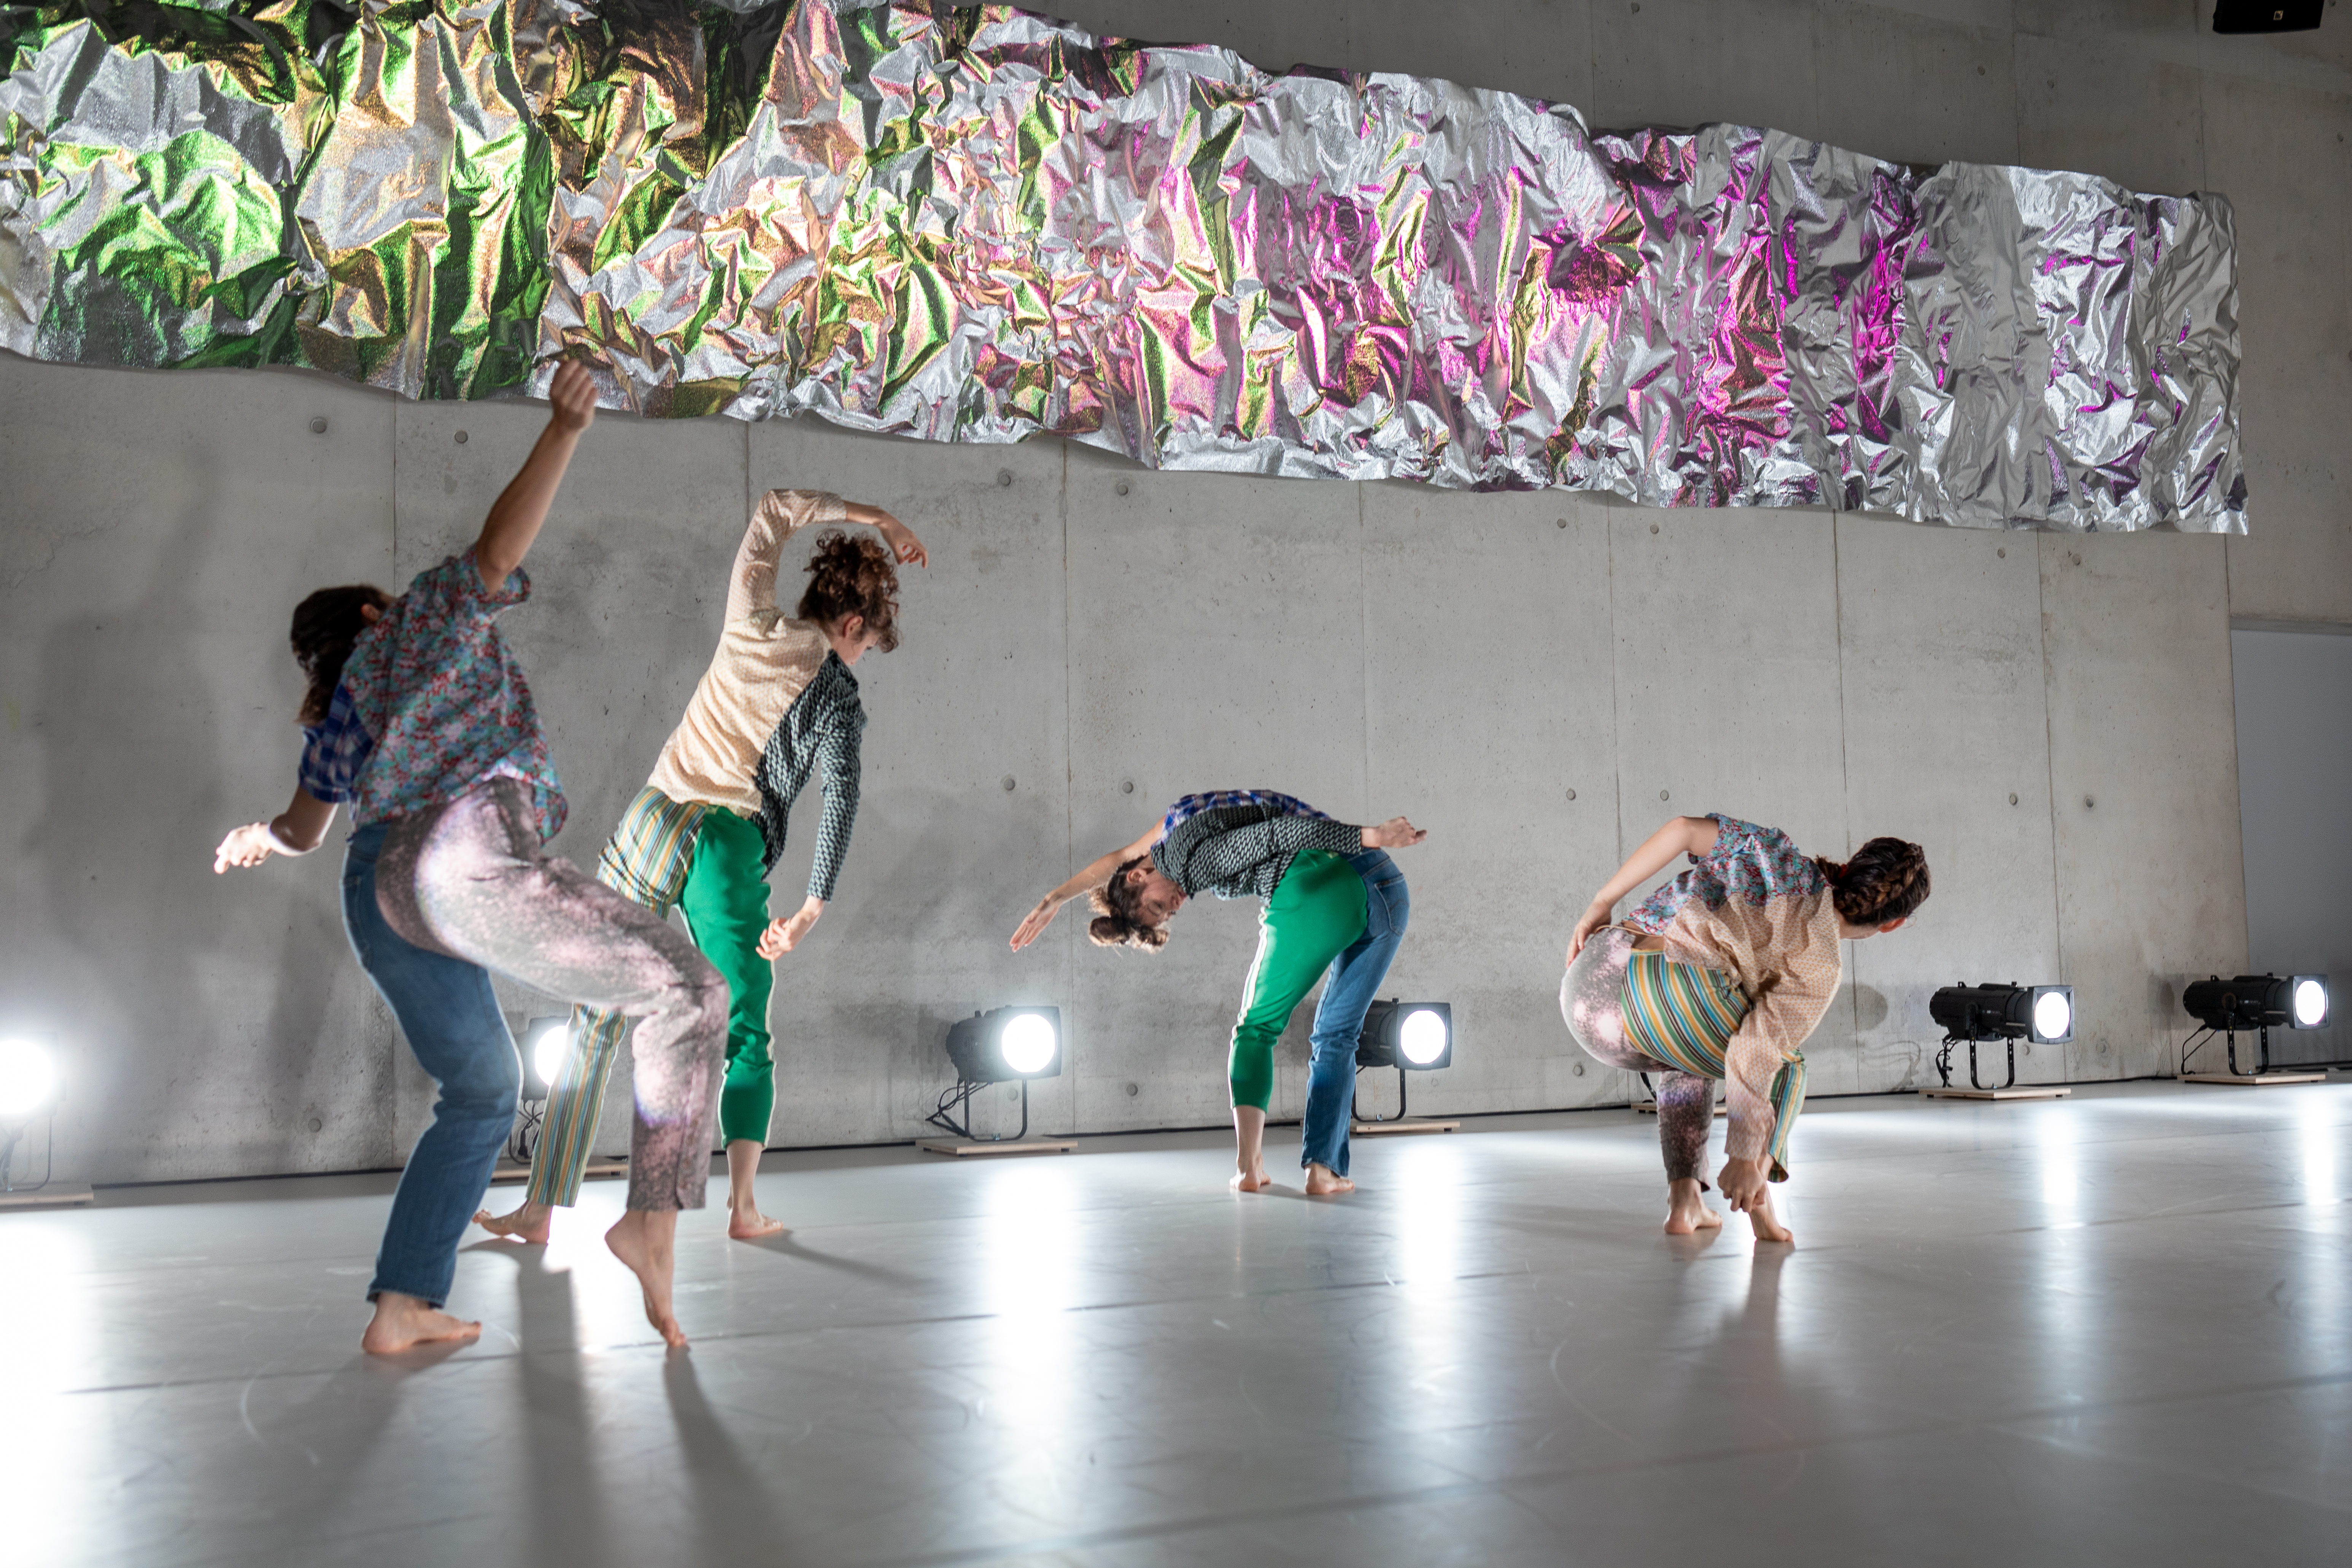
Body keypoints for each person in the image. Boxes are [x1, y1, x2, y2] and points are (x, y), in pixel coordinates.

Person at [213, 360, 727, 1352]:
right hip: (461, 851)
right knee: (690, 993)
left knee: (485, 1090)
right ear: (372, 613)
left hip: (381, 893)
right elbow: (495, 554)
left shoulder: (342, 720)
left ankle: (402, 1305)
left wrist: (253, 836)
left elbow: (303, 828)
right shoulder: (412, 623)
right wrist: (566, 430)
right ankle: (649, 1221)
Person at [473, 489, 925, 1247]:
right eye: (864, 649)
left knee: (596, 1019)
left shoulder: (749, 620)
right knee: (745, 1028)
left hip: (650, 819)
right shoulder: (836, 694)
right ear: (851, 627)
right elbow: (843, 798)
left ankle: (539, 1210)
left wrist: (877, 519)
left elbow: (774, 508)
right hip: (724, 843)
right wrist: (812, 905)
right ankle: (743, 1208)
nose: (859, 662)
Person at [1012, 791, 1426, 1194]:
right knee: (1337, 1034)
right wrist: (1056, 897)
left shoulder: (1190, 861)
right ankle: (1324, 1170)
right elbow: (1115, 860)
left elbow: (1276, 836)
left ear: (1139, 877)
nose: (1173, 909)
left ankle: (1250, 1166)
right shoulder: (1171, 827)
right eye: (1165, 916)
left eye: (1159, 908)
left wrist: (1372, 834)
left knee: (1256, 1029)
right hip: (1387, 887)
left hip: (1322, 879)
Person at [1562, 813, 1930, 1244]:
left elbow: (1682, 827)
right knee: (1785, 1065)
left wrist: (1599, 902)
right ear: (1893, 923)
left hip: (1591, 982)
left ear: (1849, 866)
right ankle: (1753, 1190)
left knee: (1692, 1057)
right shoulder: (1820, 966)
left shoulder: (1774, 851)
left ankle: (1685, 1201)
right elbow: (1753, 1053)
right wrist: (1742, 1152)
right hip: (1658, 1003)